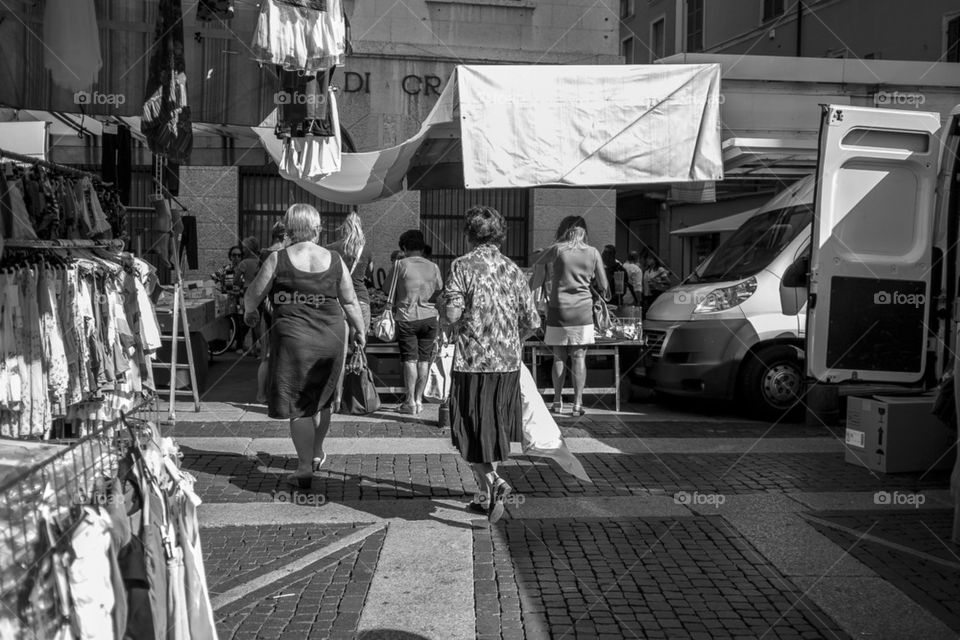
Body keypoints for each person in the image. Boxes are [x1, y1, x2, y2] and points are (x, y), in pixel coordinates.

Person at [243, 204, 366, 489]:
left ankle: (303, 465)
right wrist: (360, 331)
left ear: (288, 228)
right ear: (316, 228)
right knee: (322, 398)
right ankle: (316, 452)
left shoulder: (278, 258)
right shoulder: (334, 258)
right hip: (330, 338)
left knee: (299, 404)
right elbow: (349, 301)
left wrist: (250, 314)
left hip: (293, 340)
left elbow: (254, 295)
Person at [442, 205, 540, 523]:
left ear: (469, 234)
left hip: (473, 360)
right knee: (492, 428)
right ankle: (486, 496)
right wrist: (513, 340)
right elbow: (532, 321)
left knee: (468, 428)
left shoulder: (462, 266)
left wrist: (446, 307)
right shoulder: (513, 269)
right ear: (500, 233)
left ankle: (495, 483)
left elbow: (453, 314)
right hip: (507, 362)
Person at [530, 219, 608, 417]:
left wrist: (547, 248)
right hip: (582, 310)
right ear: (585, 231)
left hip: (558, 309)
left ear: (565, 231)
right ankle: (578, 403)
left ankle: (557, 401)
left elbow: (536, 261)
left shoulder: (557, 249)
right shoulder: (593, 252)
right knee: (579, 356)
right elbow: (604, 285)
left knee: (559, 357)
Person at [384, 230, 443, 414]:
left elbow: (387, 289)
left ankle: (409, 401)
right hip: (429, 318)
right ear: (422, 247)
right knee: (424, 361)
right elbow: (439, 288)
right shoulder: (433, 266)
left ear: (404, 247)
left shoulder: (400, 264)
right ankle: (418, 400)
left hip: (407, 317)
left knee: (410, 360)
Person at [326, 212, 373, 335]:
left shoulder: (332, 248)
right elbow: (370, 272)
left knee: (340, 342)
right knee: (359, 342)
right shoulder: (366, 251)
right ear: (360, 228)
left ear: (344, 228)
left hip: (339, 301)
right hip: (360, 300)